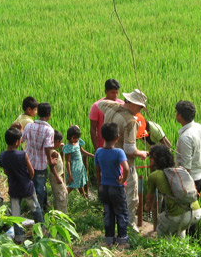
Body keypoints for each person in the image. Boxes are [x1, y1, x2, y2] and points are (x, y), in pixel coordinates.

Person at [97, 89, 148, 232]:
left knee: (112, 194)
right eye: (139, 107)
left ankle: (111, 223)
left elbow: (99, 104)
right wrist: (142, 153)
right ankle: (129, 226)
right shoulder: (131, 121)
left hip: (107, 161)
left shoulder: (110, 106)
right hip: (124, 163)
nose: (140, 110)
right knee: (131, 197)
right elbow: (130, 149)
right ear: (132, 103)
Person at [145, 144, 201, 238]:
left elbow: (149, 202)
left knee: (162, 224)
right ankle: (180, 249)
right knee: (179, 227)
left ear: (153, 160)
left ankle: (165, 249)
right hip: (196, 212)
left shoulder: (155, 176)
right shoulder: (179, 170)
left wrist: (146, 208)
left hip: (179, 216)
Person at [0, 127, 44, 243]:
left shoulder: (2, 156)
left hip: (14, 188)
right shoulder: (23, 155)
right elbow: (31, 171)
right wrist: (28, 178)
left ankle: (19, 236)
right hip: (27, 188)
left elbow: (5, 171)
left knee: (16, 214)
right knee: (35, 209)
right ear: (17, 142)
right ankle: (41, 231)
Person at [95, 122, 130, 248]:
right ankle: (122, 241)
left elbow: (97, 171)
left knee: (108, 213)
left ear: (102, 136)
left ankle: (109, 240)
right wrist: (123, 179)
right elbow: (126, 168)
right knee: (121, 212)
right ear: (117, 137)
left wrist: (100, 184)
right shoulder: (119, 152)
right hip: (117, 187)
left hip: (104, 186)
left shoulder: (99, 152)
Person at [175, 100, 201, 235]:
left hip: (191, 179)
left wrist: (181, 185)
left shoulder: (186, 137)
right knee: (192, 208)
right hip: (200, 174)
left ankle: (185, 240)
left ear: (180, 116)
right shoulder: (199, 127)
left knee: (186, 211)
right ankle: (190, 239)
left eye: (176, 113)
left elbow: (186, 167)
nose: (175, 115)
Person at [21, 102, 56, 211]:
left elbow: (21, 139)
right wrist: (51, 162)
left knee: (30, 184)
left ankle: (39, 204)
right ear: (49, 114)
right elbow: (47, 148)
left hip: (28, 161)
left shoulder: (29, 126)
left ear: (38, 113)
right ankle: (39, 210)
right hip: (40, 165)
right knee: (40, 187)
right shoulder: (49, 130)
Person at [89, 79, 124, 151]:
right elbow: (93, 129)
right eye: (113, 93)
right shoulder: (97, 106)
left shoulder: (122, 105)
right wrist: (97, 149)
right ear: (106, 92)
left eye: (117, 93)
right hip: (103, 147)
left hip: (119, 146)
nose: (115, 95)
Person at [63, 125, 94, 199]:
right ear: (69, 137)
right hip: (74, 169)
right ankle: (62, 198)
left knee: (80, 183)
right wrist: (70, 175)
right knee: (72, 186)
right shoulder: (69, 146)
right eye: (74, 138)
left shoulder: (78, 142)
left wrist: (93, 155)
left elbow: (83, 151)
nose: (76, 139)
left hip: (80, 167)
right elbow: (68, 161)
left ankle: (84, 197)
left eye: (77, 137)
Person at [49, 130, 68, 213]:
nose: (61, 143)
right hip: (56, 176)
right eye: (60, 142)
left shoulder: (50, 149)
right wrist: (57, 177)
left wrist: (60, 146)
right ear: (56, 142)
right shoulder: (54, 153)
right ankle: (62, 214)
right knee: (62, 196)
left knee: (61, 193)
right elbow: (52, 166)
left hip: (56, 175)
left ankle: (57, 212)